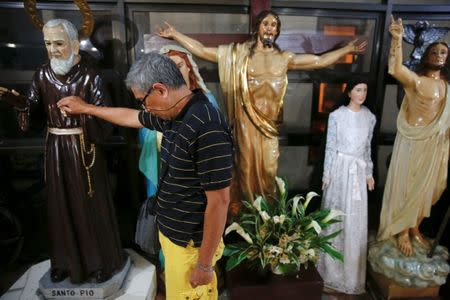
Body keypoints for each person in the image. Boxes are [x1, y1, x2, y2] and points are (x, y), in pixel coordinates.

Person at [57, 52, 233, 299]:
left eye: (143, 100)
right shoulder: (175, 113)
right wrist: (86, 108)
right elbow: (131, 117)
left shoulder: (207, 126)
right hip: (175, 238)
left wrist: (203, 265)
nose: (144, 107)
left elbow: (220, 202)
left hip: (191, 248)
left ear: (160, 90)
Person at [156, 10, 368, 213]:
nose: (270, 28)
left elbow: (319, 61)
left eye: (274, 25)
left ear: (277, 31)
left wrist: (346, 50)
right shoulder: (238, 55)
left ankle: (267, 218)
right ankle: (249, 219)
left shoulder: (285, 58)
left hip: (269, 127)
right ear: (257, 27)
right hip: (245, 124)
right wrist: (175, 35)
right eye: (266, 23)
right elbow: (202, 51)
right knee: (246, 170)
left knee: (268, 172)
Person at [0, 19, 125, 283]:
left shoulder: (91, 75)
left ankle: (97, 263)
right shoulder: (42, 75)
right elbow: (33, 112)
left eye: (59, 43)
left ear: (73, 44)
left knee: (88, 206)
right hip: (56, 149)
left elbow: (105, 117)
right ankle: (65, 263)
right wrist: (21, 104)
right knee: (59, 208)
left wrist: (85, 116)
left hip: (84, 149)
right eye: (48, 43)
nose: (53, 49)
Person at [377, 16, 450, 257]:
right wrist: (397, 40)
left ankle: (415, 227)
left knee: (431, 188)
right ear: (427, 55)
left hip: (437, 145)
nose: (440, 54)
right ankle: (401, 231)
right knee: (407, 186)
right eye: (436, 51)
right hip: (413, 140)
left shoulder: (448, 88)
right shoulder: (417, 81)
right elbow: (395, 69)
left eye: (444, 51)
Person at [317, 80, 375, 294]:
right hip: (340, 171)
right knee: (336, 219)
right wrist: (327, 174)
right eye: (358, 90)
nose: (362, 94)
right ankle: (330, 274)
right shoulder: (337, 116)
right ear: (349, 92)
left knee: (355, 223)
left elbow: (367, 148)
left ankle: (351, 276)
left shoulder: (370, 117)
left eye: (365, 90)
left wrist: (368, 173)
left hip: (358, 173)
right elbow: (330, 148)